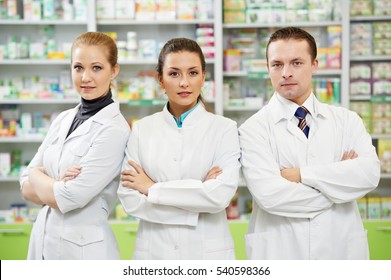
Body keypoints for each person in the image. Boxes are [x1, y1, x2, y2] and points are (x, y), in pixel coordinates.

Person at [238, 27, 380, 260]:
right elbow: (271, 196)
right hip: (280, 252)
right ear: (267, 68)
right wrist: (338, 184)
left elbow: (369, 175)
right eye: (277, 64)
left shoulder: (347, 121)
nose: (286, 73)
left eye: (296, 63)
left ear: (314, 65)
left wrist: (301, 175)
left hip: (340, 250)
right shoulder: (252, 130)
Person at [117, 38, 241, 260]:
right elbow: (130, 199)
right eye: (174, 74)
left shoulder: (224, 129)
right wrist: (199, 192)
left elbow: (219, 197)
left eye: (192, 73)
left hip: (206, 254)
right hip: (155, 254)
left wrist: (152, 188)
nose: (184, 82)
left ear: (203, 76)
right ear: (161, 79)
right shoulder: (141, 130)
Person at [20, 32, 130, 260]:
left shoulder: (114, 129)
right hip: (42, 241)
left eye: (96, 68)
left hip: (83, 251)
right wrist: (56, 184)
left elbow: (69, 198)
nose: (85, 77)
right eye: (78, 67)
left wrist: (36, 174)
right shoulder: (63, 119)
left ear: (114, 71)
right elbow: (25, 187)